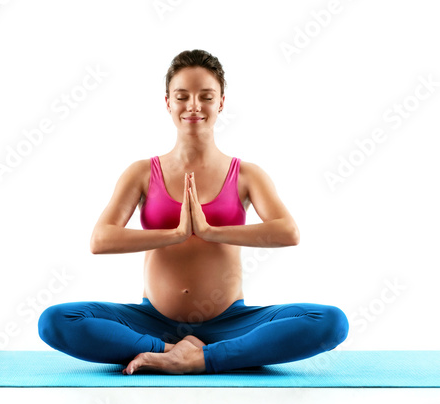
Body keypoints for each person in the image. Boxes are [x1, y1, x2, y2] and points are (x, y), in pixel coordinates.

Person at [38, 49, 349, 375]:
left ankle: (201, 357)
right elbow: (100, 239)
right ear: (168, 102)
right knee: (55, 321)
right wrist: (175, 235)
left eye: (206, 96)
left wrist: (212, 231)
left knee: (330, 322)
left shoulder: (246, 174)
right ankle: (173, 351)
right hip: (153, 322)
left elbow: (288, 232)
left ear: (221, 103)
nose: (194, 106)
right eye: (182, 96)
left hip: (229, 321)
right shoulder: (142, 172)